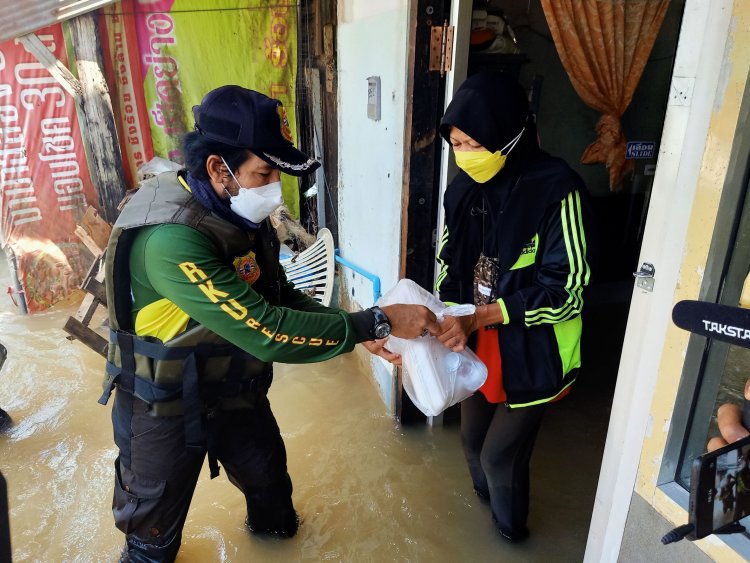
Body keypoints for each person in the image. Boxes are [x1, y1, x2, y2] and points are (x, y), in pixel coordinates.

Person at [101, 85, 440, 562]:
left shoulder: (239, 213)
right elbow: (267, 329)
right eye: (265, 172)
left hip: (235, 391)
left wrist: (355, 328)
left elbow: (279, 295)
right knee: (151, 542)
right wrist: (377, 321)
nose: (274, 185)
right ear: (219, 169)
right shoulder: (171, 241)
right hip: (164, 405)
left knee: (275, 505)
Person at [433, 71, 592, 542]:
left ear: (510, 134)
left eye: (473, 143)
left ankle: (511, 537)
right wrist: (438, 318)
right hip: (476, 340)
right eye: (456, 144)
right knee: (469, 441)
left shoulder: (557, 190)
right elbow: (448, 262)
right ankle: (488, 520)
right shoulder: (462, 190)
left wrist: (483, 314)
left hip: (535, 348)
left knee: (499, 456)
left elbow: (569, 290)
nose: (464, 156)